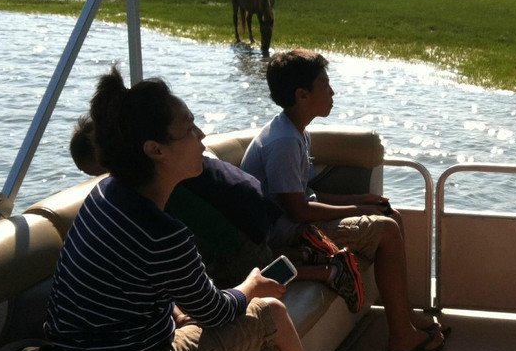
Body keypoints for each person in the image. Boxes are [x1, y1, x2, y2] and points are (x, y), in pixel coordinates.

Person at [46, 67, 356, 351]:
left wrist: (213, 301)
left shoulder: (107, 195)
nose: (201, 135)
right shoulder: (162, 231)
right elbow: (218, 310)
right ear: (155, 150)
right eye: (188, 128)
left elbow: (162, 298)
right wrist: (250, 285)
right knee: (269, 311)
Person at [241, 49, 447, 351]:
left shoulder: (294, 131)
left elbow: (305, 195)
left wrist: (362, 201)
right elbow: (298, 212)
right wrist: (358, 211)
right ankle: (402, 338)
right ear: (302, 94)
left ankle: (406, 315)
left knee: (391, 215)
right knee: (387, 229)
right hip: (286, 234)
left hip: (297, 222)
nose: (332, 91)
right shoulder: (283, 142)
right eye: (325, 85)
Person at [69, 114, 339, 290]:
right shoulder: (176, 161)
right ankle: (305, 255)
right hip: (253, 209)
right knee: (254, 256)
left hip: (239, 229)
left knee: (245, 277)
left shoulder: (164, 183)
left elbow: (204, 230)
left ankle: (327, 273)